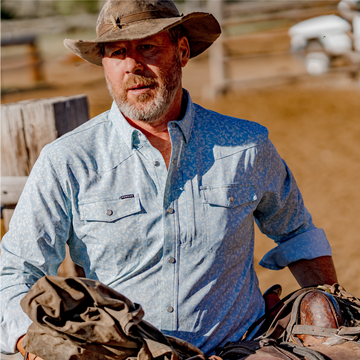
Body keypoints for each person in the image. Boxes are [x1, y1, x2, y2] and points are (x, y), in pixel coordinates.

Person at [0, 0, 337, 358]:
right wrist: (28, 340)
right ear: (105, 65)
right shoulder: (69, 160)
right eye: (117, 52)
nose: (132, 65)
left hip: (241, 349)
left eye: (147, 47)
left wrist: (332, 307)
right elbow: (18, 269)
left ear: (182, 51)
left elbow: (297, 233)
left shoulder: (245, 145)